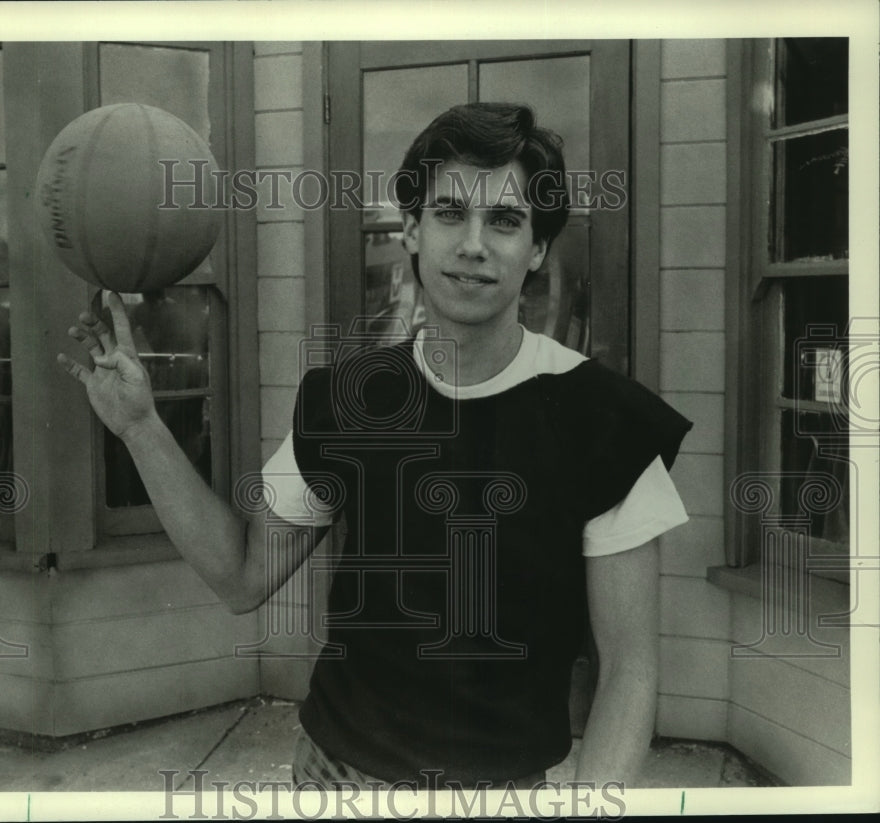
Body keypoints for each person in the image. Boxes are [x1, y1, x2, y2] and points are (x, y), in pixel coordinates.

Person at [59, 102, 692, 791]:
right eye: (449, 213)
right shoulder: (348, 399)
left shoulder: (607, 422)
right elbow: (241, 575)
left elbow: (630, 668)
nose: (474, 243)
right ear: (413, 230)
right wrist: (140, 425)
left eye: (504, 221)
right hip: (335, 777)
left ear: (537, 247)